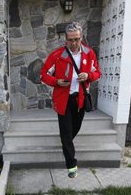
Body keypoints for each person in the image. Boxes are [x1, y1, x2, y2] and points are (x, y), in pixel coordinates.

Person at [40, 22, 101, 178]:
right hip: (63, 99)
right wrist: (56, 82)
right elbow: (44, 74)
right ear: (65, 39)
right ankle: (71, 164)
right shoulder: (57, 55)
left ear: (81, 37)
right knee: (66, 132)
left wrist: (88, 76)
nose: (74, 43)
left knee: (75, 128)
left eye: (77, 39)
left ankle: (65, 143)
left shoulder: (89, 53)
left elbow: (97, 73)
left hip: (80, 99)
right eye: (70, 40)